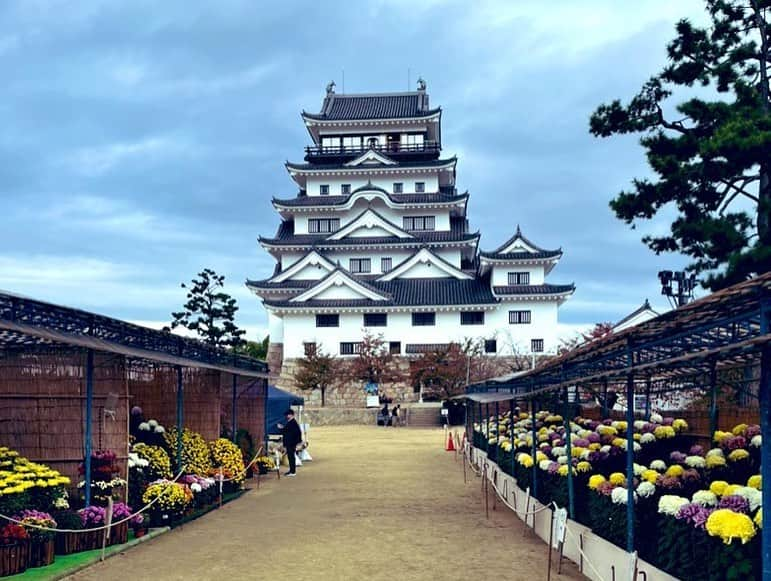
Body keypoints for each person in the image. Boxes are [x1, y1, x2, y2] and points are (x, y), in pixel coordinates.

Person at [277, 409, 302, 477]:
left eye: (287, 415)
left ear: (291, 415)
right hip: (290, 442)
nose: (286, 416)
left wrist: (281, 428)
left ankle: (293, 471)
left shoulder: (292, 422)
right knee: (290, 457)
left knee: (291, 457)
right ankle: (291, 470)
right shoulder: (291, 422)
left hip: (291, 443)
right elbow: (287, 430)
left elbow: (288, 431)